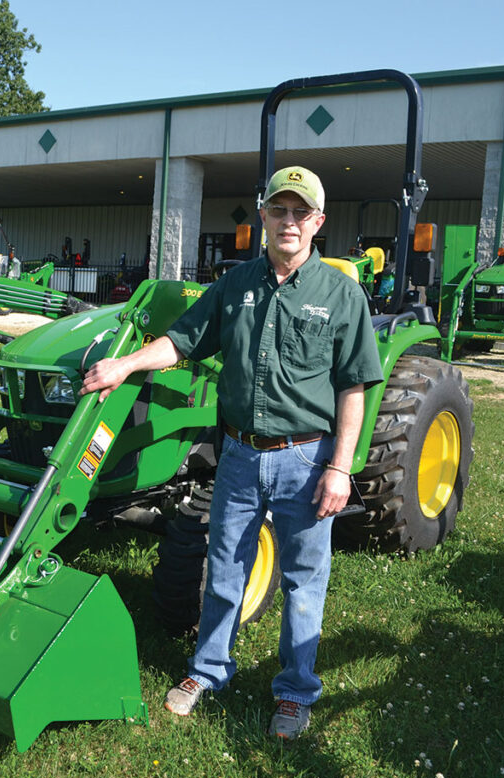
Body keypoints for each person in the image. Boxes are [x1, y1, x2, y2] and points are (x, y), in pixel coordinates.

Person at [79, 166, 383, 740]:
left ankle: (294, 692)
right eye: (279, 210)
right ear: (263, 215)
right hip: (239, 456)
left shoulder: (341, 294)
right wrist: (125, 364)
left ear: (318, 222)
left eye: (300, 213)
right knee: (224, 569)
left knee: (302, 582)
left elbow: (353, 388)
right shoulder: (236, 283)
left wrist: (340, 468)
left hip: (306, 459)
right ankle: (208, 670)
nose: (288, 222)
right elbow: (182, 341)